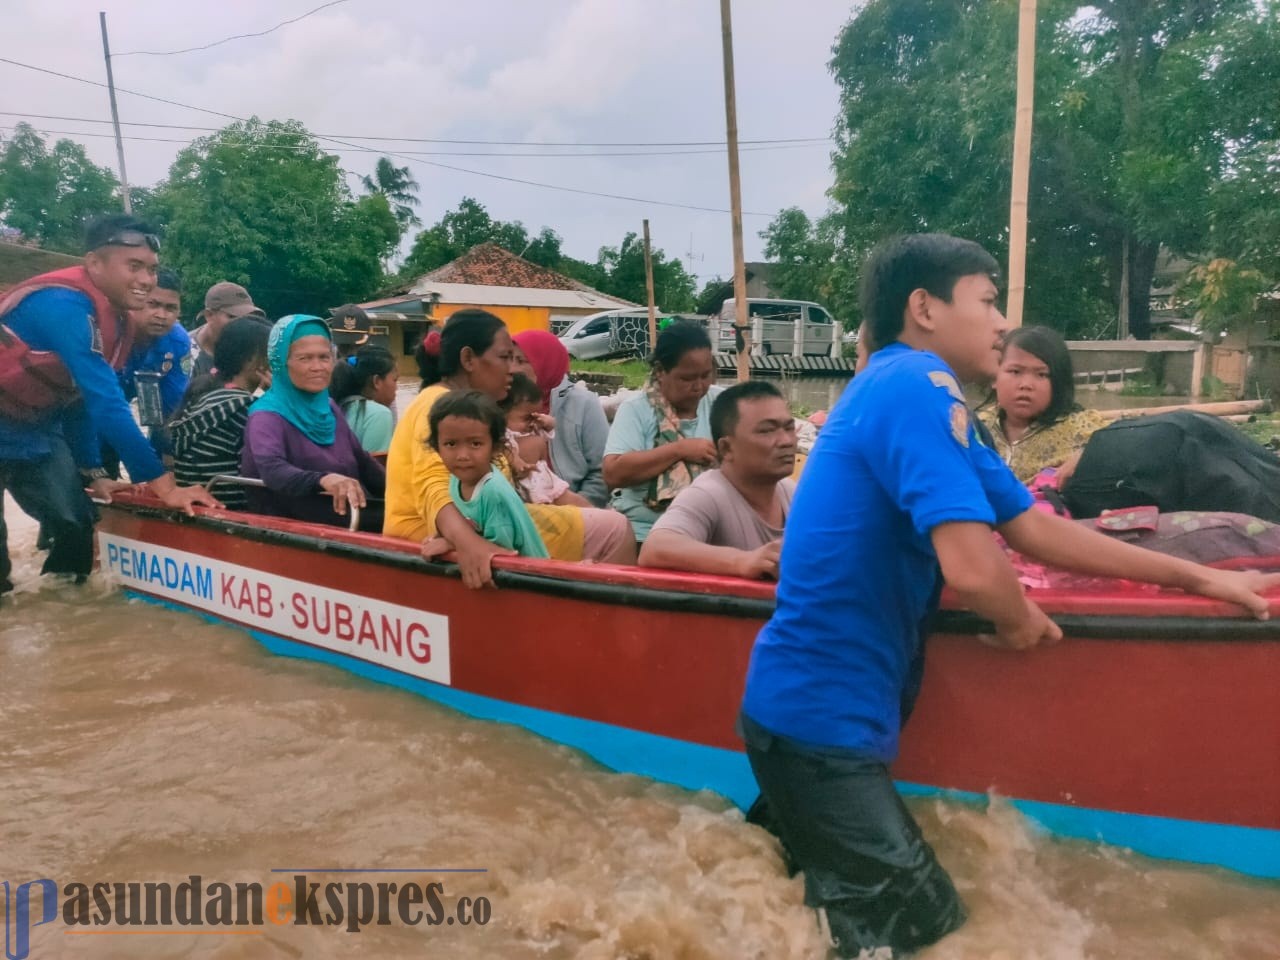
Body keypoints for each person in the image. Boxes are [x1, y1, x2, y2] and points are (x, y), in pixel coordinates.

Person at [737, 233, 1280, 958]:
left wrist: (1198, 576)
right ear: (924, 308)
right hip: (818, 727)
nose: (1001, 323)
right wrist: (1019, 617)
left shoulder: (928, 402)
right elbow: (970, 563)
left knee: (780, 899)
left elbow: (1027, 527)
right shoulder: (913, 385)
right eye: (988, 301)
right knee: (926, 933)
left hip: (817, 719)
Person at [0, 215, 219, 591]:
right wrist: (165, 487)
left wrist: (94, 474)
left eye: (151, 269)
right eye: (133, 266)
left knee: (75, 523)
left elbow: (81, 402)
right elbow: (107, 403)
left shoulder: (132, 328)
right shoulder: (63, 305)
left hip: (34, 429)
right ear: (94, 264)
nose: (146, 280)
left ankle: (67, 620)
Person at [383, 309, 635, 589]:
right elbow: (433, 485)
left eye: (516, 360)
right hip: (432, 531)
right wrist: (469, 544)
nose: (513, 369)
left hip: (478, 521)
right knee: (616, 529)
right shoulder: (441, 405)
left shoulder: (468, 406)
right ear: (468, 359)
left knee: (599, 518)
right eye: (504, 357)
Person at [639, 381, 797, 579]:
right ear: (726, 449)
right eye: (766, 431)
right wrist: (743, 561)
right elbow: (656, 548)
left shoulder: (793, 493)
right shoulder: (708, 494)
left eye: (789, 428)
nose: (786, 441)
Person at [240, 315, 385, 530]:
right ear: (281, 363)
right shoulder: (266, 415)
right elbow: (273, 470)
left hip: (344, 513)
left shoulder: (329, 407)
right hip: (296, 522)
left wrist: (403, 492)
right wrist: (323, 479)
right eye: (305, 358)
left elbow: (362, 461)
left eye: (324, 357)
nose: (318, 367)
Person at [602, 321, 720, 542]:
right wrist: (679, 450)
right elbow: (613, 472)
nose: (699, 386)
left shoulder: (721, 403)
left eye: (705, 376)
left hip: (708, 532)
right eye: (687, 378)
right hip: (645, 533)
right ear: (660, 372)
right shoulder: (637, 409)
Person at [421, 390, 549, 559]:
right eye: (451, 444)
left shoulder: (492, 493)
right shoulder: (455, 480)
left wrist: (452, 543)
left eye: (475, 444)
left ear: (495, 447)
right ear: (437, 447)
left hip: (531, 576)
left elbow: (501, 554)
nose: (462, 455)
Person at [977, 325, 1108, 483]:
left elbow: (1127, 447)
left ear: (1058, 382)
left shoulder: (1083, 428)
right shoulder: (974, 426)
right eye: (1015, 371)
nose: (1026, 384)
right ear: (994, 377)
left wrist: (1086, 456)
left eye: (1041, 374)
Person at [171, 316, 273, 510]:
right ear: (251, 359)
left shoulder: (206, 395)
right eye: (271, 354)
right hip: (234, 511)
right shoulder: (244, 406)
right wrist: (282, 398)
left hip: (205, 509)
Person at [512, 330, 611, 507]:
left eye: (520, 361)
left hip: (575, 505)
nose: (511, 369)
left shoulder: (583, 403)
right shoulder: (500, 402)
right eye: (508, 359)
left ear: (545, 363)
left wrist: (577, 509)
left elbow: (601, 470)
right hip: (518, 507)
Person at [113, 267, 192, 467]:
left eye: (170, 308)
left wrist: (165, 459)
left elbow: (172, 408)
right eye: (153, 304)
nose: (161, 315)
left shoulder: (178, 342)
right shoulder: (110, 330)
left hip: (127, 416)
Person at [503, 373, 592, 507]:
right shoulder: (505, 434)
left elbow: (547, 434)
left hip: (547, 484)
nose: (532, 423)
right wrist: (516, 461)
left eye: (535, 417)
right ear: (501, 414)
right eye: (527, 418)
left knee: (580, 504)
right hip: (532, 490)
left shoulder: (527, 430)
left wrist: (548, 423)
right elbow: (505, 447)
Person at [330, 345, 398, 454]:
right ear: (376, 381)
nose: (396, 388)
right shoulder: (379, 414)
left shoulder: (335, 406)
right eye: (394, 380)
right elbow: (377, 468)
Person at [189, 281, 265, 377]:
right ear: (209, 315)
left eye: (248, 317)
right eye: (233, 316)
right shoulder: (184, 351)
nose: (243, 324)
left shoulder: (250, 349)